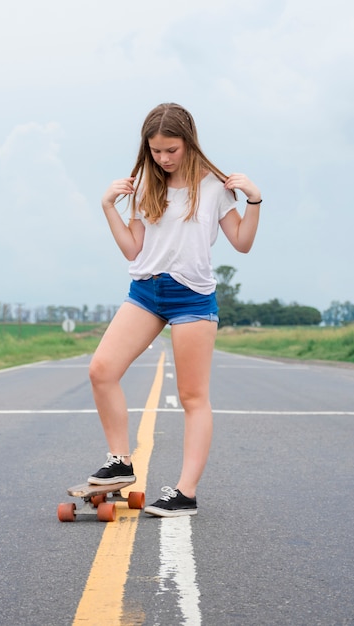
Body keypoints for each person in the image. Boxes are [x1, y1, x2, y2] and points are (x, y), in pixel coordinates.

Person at [87, 103, 261, 517]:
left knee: (192, 396)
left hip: (192, 298)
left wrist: (255, 199)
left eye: (171, 150)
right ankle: (119, 461)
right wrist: (109, 206)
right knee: (101, 370)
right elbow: (133, 247)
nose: (163, 159)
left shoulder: (216, 187)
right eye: (156, 151)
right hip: (146, 291)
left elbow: (242, 241)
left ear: (188, 143)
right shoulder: (148, 183)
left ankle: (185, 493)